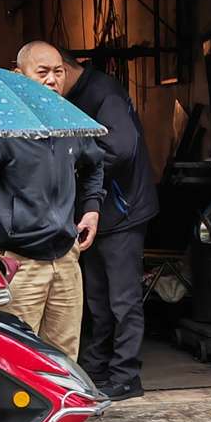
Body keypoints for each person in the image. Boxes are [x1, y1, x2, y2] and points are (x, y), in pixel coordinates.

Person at [0, 41, 104, 360]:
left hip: (66, 259)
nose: (52, 80)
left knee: (64, 358)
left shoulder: (69, 123)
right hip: (20, 264)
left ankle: (61, 412)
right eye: (42, 72)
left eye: (58, 72)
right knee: (17, 357)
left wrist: (91, 209)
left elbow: (96, 162)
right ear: (18, 75)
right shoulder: (2, 128)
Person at [61, 50, 158, 401]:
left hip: (122, 210)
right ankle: (97, 367)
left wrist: (73, 162)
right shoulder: (75, 95)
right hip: (95, 213)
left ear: (68, 68)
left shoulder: (104, 93)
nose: (49, 81)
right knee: (98, 298)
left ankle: (127, 375)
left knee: (123, 299)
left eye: (54, 71)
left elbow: (122, 149)